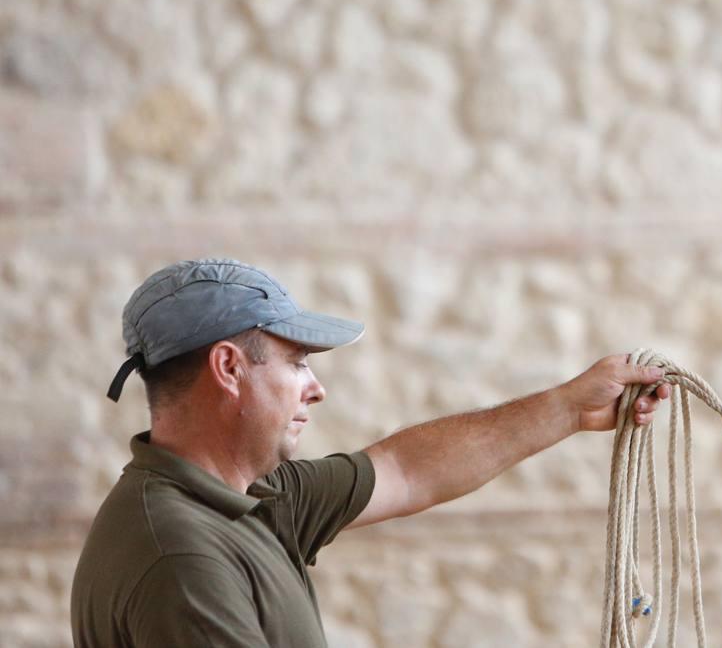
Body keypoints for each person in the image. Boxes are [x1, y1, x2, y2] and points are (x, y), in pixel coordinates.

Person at [71, 257, 671, 647]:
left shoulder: (255, 497)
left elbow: (408, 471)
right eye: (297, 363)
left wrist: (571, 407)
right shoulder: (183, 557)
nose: (316, 387)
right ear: (229, 367)